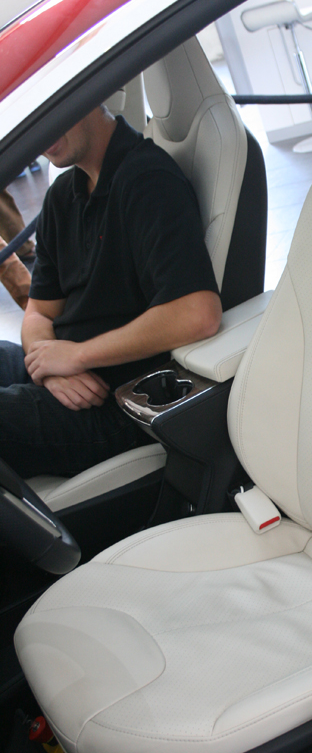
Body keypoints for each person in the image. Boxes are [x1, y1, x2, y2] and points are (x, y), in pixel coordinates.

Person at [0, 106, 221, 478]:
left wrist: (77, 356)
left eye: (49, 112)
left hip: (114, 401)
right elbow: (39, 312)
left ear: (89, 98)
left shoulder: (148, 179)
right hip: (64, 370)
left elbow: (198, 313)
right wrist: (49, 366)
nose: (39, 133)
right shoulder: (61, 196)